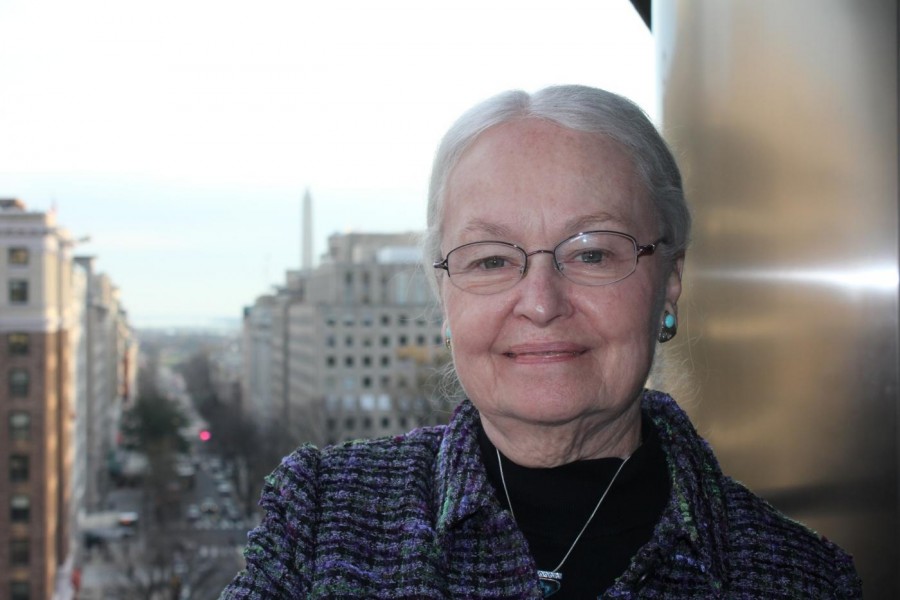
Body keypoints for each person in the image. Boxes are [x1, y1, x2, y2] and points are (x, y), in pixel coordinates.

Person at [220, 85, 862, 599]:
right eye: (491, 260)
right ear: (444, 298)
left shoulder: (803, 579)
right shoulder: (321, 515)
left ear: (670, 281)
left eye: (591, 253)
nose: (541, 302)